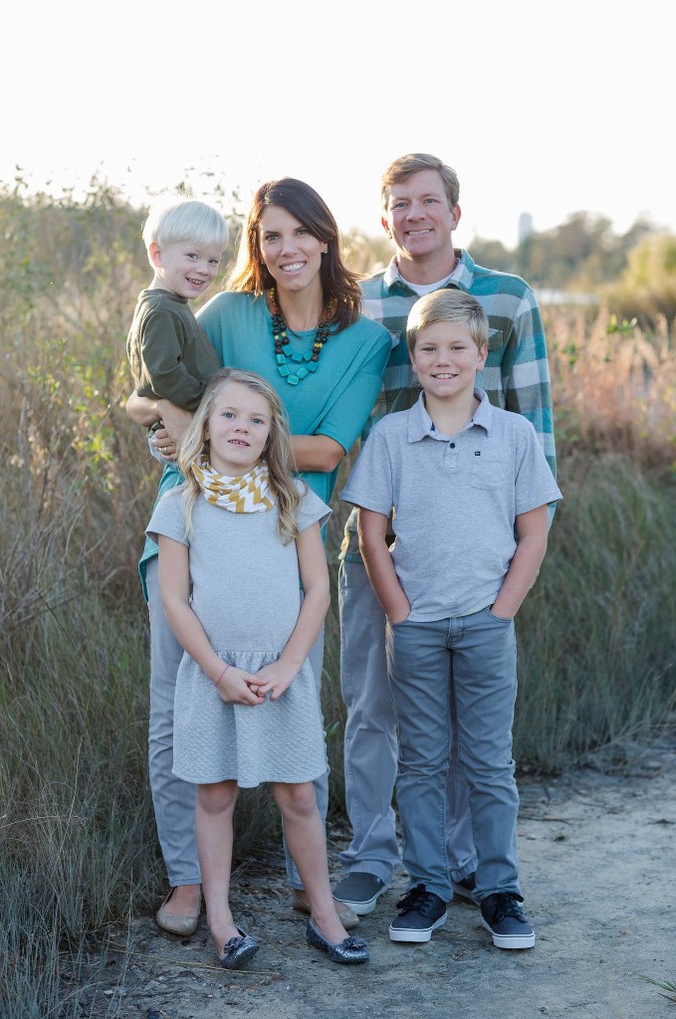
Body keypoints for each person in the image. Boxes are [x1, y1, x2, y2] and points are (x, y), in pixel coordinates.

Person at [126, 178, 391, 936]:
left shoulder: (365, 341)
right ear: (257, 246)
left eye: (299, 232)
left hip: (285, 544)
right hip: (191, 529)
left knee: (294, 699)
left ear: (326, 237)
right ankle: (187, 878)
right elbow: (150, 385)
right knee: (176, 709)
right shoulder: (228, 311)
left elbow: (333, 447)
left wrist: (215, 435)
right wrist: (172, 428)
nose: (285, 249)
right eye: (270, 236)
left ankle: (313, 884)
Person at [334, 152, 557, 918]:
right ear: (384, 214)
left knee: (466, 722)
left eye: (430, 200)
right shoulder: (356, 304)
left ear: (455, 213)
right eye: (401, 202)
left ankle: (464, 864)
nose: (416, 214)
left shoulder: (508, 298)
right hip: (380, 541)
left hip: (477, 545)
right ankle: (371, 854)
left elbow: (536, 424)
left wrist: (515, 568)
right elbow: (330, 411)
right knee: (372, 705)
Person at [147, 368, 369, 968]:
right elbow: (174, 600)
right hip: (213, 676)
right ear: (206, 426)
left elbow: (317, 588)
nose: (241, 427)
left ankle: (322, 915)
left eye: (256, 419)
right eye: (229, 416)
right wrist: (219, 672)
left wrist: (291, 664)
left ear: (271, 433)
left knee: (298, 794)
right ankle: (222, 922)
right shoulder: (181, 504)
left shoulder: (294, 498)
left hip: (280, 677)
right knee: (215, 796)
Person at [126, 196, 228, 429]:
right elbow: (164, 375)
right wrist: (211, 403)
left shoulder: (170, 303)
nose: (204, 269)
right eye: (193, 256)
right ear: (157, 255)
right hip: (182, 425)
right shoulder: (162, 311)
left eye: (213, 260)